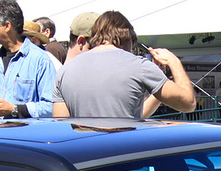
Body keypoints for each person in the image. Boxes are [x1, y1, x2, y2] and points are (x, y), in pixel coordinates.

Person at [51, 10, 194, 120]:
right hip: (122, 155)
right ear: (128, 38)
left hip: (83, 156)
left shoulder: (65, 72)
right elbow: (188, 103)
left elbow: (61, 124)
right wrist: (174, 62)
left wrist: (157, 87)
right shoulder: (140, 66)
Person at [0, 0, 56, 119]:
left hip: (22, 136)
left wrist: (14, 110)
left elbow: (51, 107)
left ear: (7, 26)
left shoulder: (40, 60)